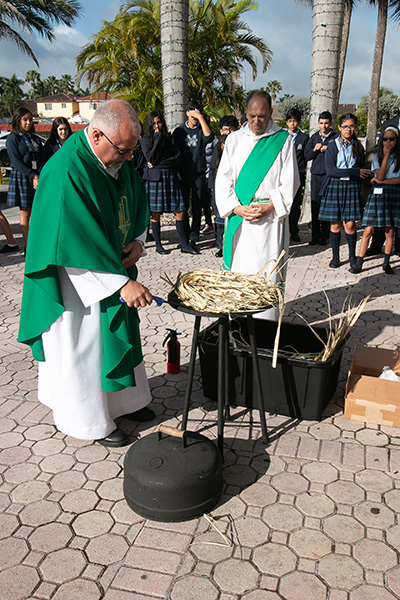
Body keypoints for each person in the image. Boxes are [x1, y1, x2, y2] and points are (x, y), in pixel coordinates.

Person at [18, 99, 155, 448]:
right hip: (74, 285)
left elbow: (136, 200)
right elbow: (70, 243)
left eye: (131, 151)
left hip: (112, 269)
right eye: (122, 151)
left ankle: (126, 402)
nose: (127, 160)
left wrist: (138, 242)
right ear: (95, 135)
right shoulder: (67, 173)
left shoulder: (114, 159)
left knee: (116, 334)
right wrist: (121, 283)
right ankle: (89, 421)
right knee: (85, 345)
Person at [215, 90, 300, 320]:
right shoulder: (234, 140)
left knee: (268, 277)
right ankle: (238, 329)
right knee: (240, 277)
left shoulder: (283, 140)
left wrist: (271, 205)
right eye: (252, 116)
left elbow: (290, 182)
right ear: (245, 113)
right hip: (240, 221)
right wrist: (235, 208)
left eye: (262, 116)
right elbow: (223, 180)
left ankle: (266, 329)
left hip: (270, 222)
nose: (256, 121)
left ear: (271, 112)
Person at [140, 111, 197, 255]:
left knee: (180, 211)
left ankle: (184, 244)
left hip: (170, 177)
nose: (157, 126)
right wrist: (158, 138)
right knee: (155, 213)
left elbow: (176, 158)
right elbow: (150, 157)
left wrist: (159, 163)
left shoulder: (170, 138)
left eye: (159, 122)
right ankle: (159, 245)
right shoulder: (146, 139)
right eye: (153, 123)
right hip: (155, 179)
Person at [319, 113, 370, 269]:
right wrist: (354, 171)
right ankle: (335, 257)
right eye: (346, 126)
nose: (349, 129)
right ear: (340, 127)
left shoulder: (358, 146)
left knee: (350, 225)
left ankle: (352, 256)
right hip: (335, 186)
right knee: (335, 225)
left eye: (352, 126)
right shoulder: (333, 145)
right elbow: (332, 170)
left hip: (352, 187)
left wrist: (359, 173)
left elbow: (362, 168)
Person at [350, 126, 400, 275]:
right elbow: (381, 174)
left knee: (390, 230)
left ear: (397, 140)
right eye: (385, 139)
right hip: (378, 195)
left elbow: (396, 179)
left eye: (392, 139)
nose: (388, 142)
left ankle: (386, 263)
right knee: (369, 229)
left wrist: (382, 182)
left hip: (394, 193)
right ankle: (359, 262)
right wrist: (385, 156)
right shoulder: (377, 156)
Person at [173, 100, 214, 249]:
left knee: (197, 205)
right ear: (187, 113)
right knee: (183, 206)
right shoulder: (179, 132)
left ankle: (194, 235)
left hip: (199, 174)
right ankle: (184, 236)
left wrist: (201, 118)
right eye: (193, 114)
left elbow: (209, 138)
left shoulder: (201, 130)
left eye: (198, 113)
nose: (195, 117)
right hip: (183, 174)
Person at [6, 107, 45, 248]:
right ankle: (29, 246)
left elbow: (41, 157)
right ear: (18, 120)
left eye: (30, 120)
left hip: (36, 177)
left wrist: (38, 174)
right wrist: (32, 175)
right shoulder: (12, 139)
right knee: (25, 212)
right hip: (22, 176)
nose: (28, 123)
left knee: (36, 211)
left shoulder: (34, 138)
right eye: (25, 120)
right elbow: (15, 162)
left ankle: (38, 242)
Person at [304, 111, 337, 246]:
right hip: (316, 175)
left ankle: (325, 236)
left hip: (330, 176)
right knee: (315, 205)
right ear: (318, 124)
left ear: (331, 123)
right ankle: (315, 236)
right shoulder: (313, 138)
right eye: (321, 123)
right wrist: (315, 150)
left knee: (327, 206)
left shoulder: (336, 137)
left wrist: (327, 149)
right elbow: (307, 156)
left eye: (326, 123)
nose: (324, 126)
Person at [209, 116, 240, 257]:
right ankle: (221, 245)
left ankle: (234, 245)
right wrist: (212, 186)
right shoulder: (218, 146)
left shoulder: (241, 145)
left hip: (236, 187)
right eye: (225, 130)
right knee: (219, 217)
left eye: (231, 129)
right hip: (218, 186)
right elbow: (212, 168)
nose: (228, 133)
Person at [286, 108, 309, 242]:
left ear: (299, 122)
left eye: (295, 121)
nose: (292, 124)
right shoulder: (282, 137)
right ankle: (284, 231)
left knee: (295, 205)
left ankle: (294, 231)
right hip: (283, 176)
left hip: (298, 175)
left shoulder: (304, 138)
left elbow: (306, 157)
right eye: (290, 121)